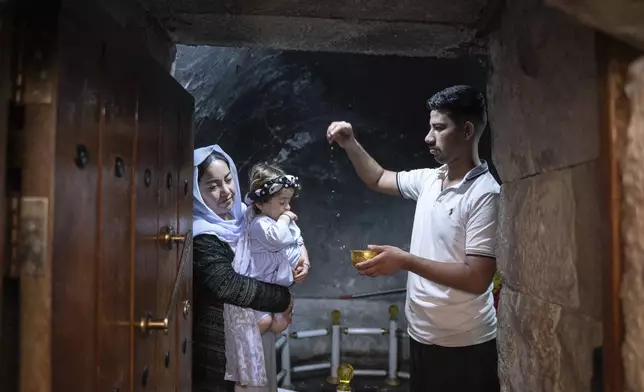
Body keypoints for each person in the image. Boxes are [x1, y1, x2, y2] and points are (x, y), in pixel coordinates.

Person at [326, 85, 500, 392]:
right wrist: (350, 143)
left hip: (464, 343)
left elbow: (477, 279)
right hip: (422, 334)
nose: (428, 137)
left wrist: (404, 260)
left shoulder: (485, 194)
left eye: (439, 128)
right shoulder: (430, 179)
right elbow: (378, 177)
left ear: (467, 130)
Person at [192, 145, 310, 392]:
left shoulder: (245, 216)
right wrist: (282, 298)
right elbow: (230, 286)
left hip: (256, 334)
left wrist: (301, 262)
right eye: (212, 186)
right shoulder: (202, 235)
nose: (225, 191)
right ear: (195, 191)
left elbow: (286, 242)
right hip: (225, 346)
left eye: (227, 180)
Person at [245, 162, 307, 334]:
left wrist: (305, 264)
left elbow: (298, 240)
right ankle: (240, 344)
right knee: (264, 322)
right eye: (282, 202)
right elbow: (278, 238)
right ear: (260, 204)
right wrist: (286, 219)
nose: (287, 207)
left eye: (289, 202)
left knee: (282, 323)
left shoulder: (280, 220)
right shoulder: (260, 224)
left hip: (281, 283)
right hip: (261, 287)